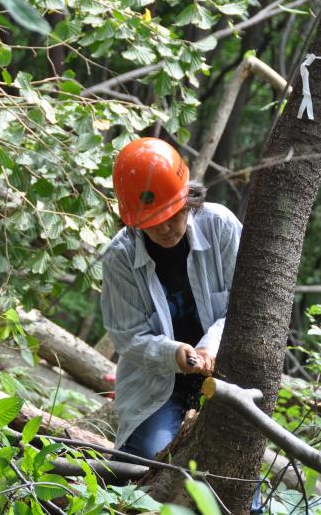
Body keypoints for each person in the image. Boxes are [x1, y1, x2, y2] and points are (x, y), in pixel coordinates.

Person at [100, 137, 242, 461]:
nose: (164, 229)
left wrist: (210, 346)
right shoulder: (119, 258)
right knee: (144, 463)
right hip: (156, 386)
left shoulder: (220, 226)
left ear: (186, 198)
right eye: (152, 222)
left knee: (232, 465)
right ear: (133, 220)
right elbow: (128, 337)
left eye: (172, 215)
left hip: (226, 377)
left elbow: (245, 307)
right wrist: (174, 354)